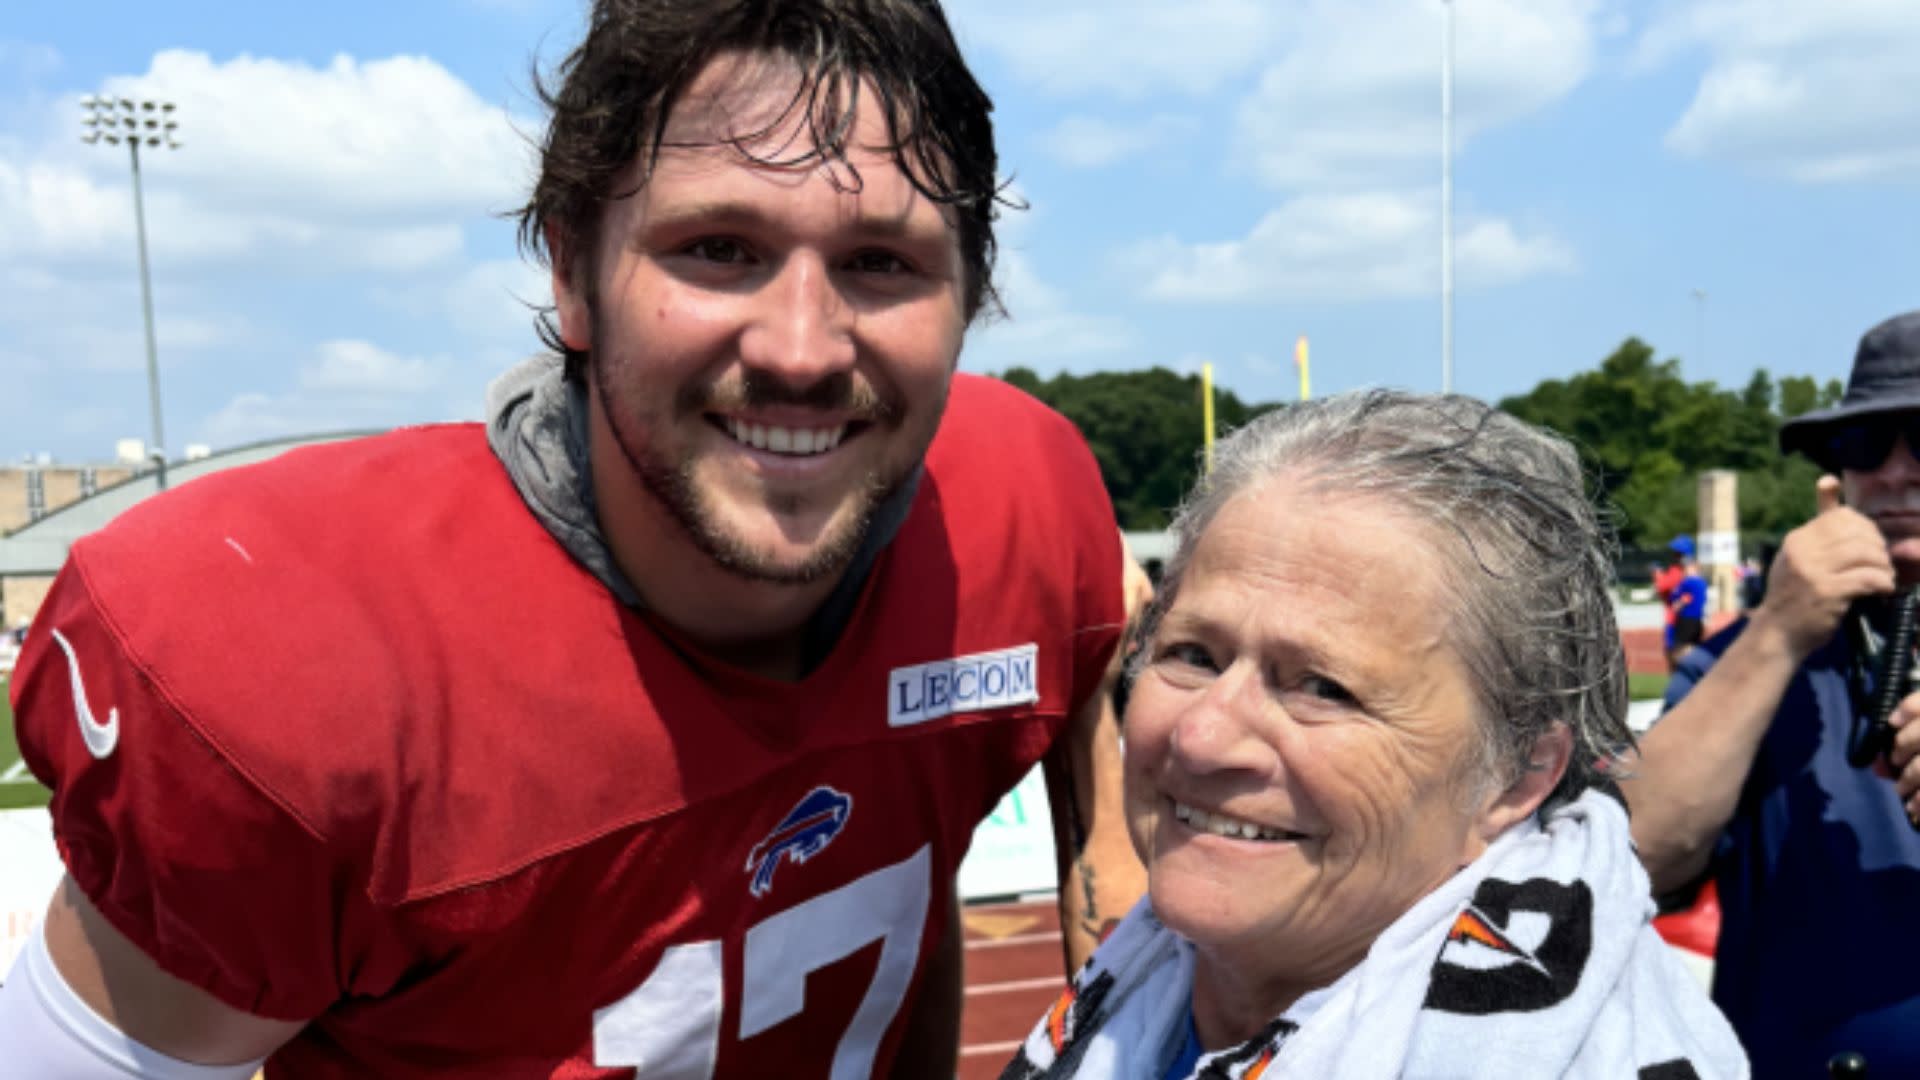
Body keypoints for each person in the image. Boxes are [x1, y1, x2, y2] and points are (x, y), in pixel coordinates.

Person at [0, 2, 1147, 1075]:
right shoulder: (316, 664)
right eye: (718, 248)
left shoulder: (1019, 512)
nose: (803, 348)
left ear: (971, 296)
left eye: (881, 263)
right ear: (572, 273)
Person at [1002, 390, 1746, 1079]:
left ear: (1518, 774)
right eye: (1193, 654)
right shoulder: (1154, 980)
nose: (1201, 736)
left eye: (1323, 688)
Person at [1621, 310, 1920, 1078]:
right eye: (1864, 446)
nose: (1894, 473)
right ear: (1836, 482)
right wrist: (1780, 629)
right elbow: (1628, 862)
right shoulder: (1748, 663)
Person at [1664, 535, 1709, 668]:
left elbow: (1676, 598)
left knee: (1679, 649)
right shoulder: (1699, 581)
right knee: (1691, 647)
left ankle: (1685, 673)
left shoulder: (1688, 581)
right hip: (1695, 619)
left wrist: (1680, 601)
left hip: (1686, 619)